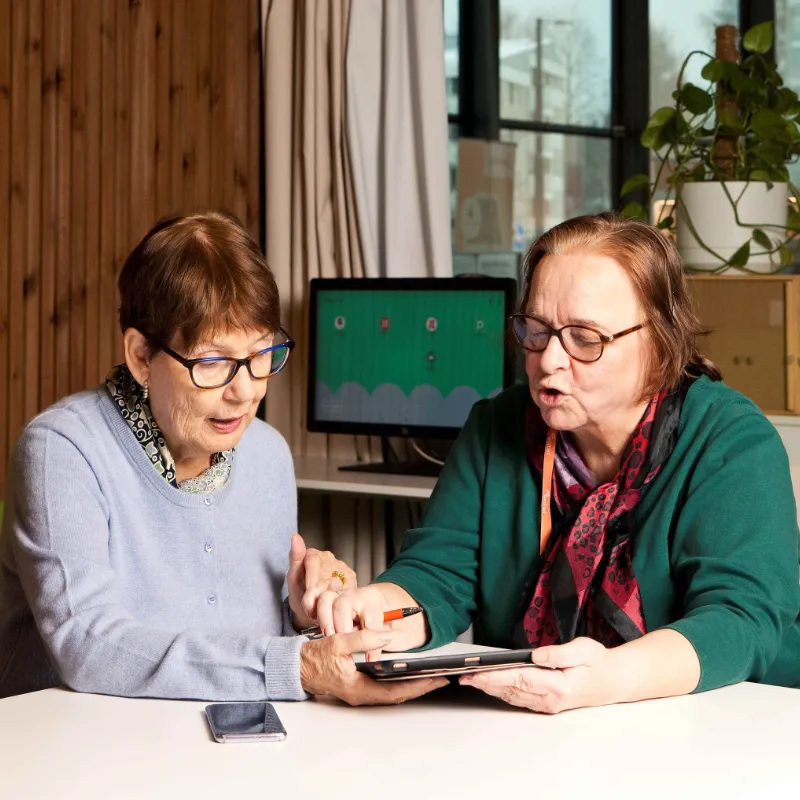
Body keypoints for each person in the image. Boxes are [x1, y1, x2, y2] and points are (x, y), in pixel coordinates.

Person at [315, 212, 800, 712]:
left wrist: (610, 677)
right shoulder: (495, 425)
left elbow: (740, 619)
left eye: (585, 338)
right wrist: (381, 608)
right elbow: (436, 576)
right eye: (536, 330)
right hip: (536, 725)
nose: (548, 360)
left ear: (659, 341)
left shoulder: (730, 440)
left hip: (728, 722)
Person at [0, 211, 444, 706]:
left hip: (228, 745)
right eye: (212, 363)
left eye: (261, 355)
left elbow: (244, 650)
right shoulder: (62, 450)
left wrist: (301, 614)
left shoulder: (267, 453)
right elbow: (86, 643)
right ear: (141, 356)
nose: (246, 391)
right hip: (76, 748)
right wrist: (296, 665)